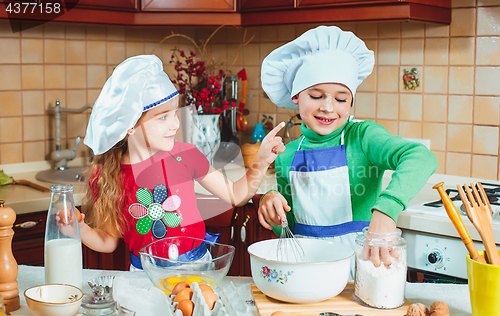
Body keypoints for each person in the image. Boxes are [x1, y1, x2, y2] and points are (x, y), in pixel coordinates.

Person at [78, 54, 285, 270]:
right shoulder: (108, 176)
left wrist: (261, 161)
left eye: (175, 113)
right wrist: (81, 229)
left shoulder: (185, 155)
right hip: (144, 276)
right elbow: (107, 242)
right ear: (129, 125)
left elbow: (236, 195)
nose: (175, 124)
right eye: (162, 117)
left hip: (198, 271)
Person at [258, 26, 438, 270]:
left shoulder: (363, 137)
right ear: (296, 97)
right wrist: (272, 204)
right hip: (306, 272)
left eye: (341, 98)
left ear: (351, 102)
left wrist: (387, 210)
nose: (328, 107)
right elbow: (290, 228)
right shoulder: (287, 154)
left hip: (361, 270)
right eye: (316, 95)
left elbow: (420, 157)